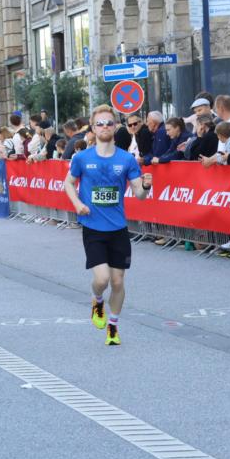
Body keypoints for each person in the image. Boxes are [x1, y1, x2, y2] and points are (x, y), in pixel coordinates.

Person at [63, 105, 153, 347]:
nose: (105, 127)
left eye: (109, 123)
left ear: (115, 127)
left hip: (118, 229)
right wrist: (77, 203)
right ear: (93, 128)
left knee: (118, 281)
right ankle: (96, 299)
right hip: (93, 226)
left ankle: (113, 326)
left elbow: (139, 194)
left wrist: (145, 186)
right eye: (100, 124)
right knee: (102, 279)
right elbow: (68, 183)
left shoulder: (126, 159)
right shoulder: (82, 158)